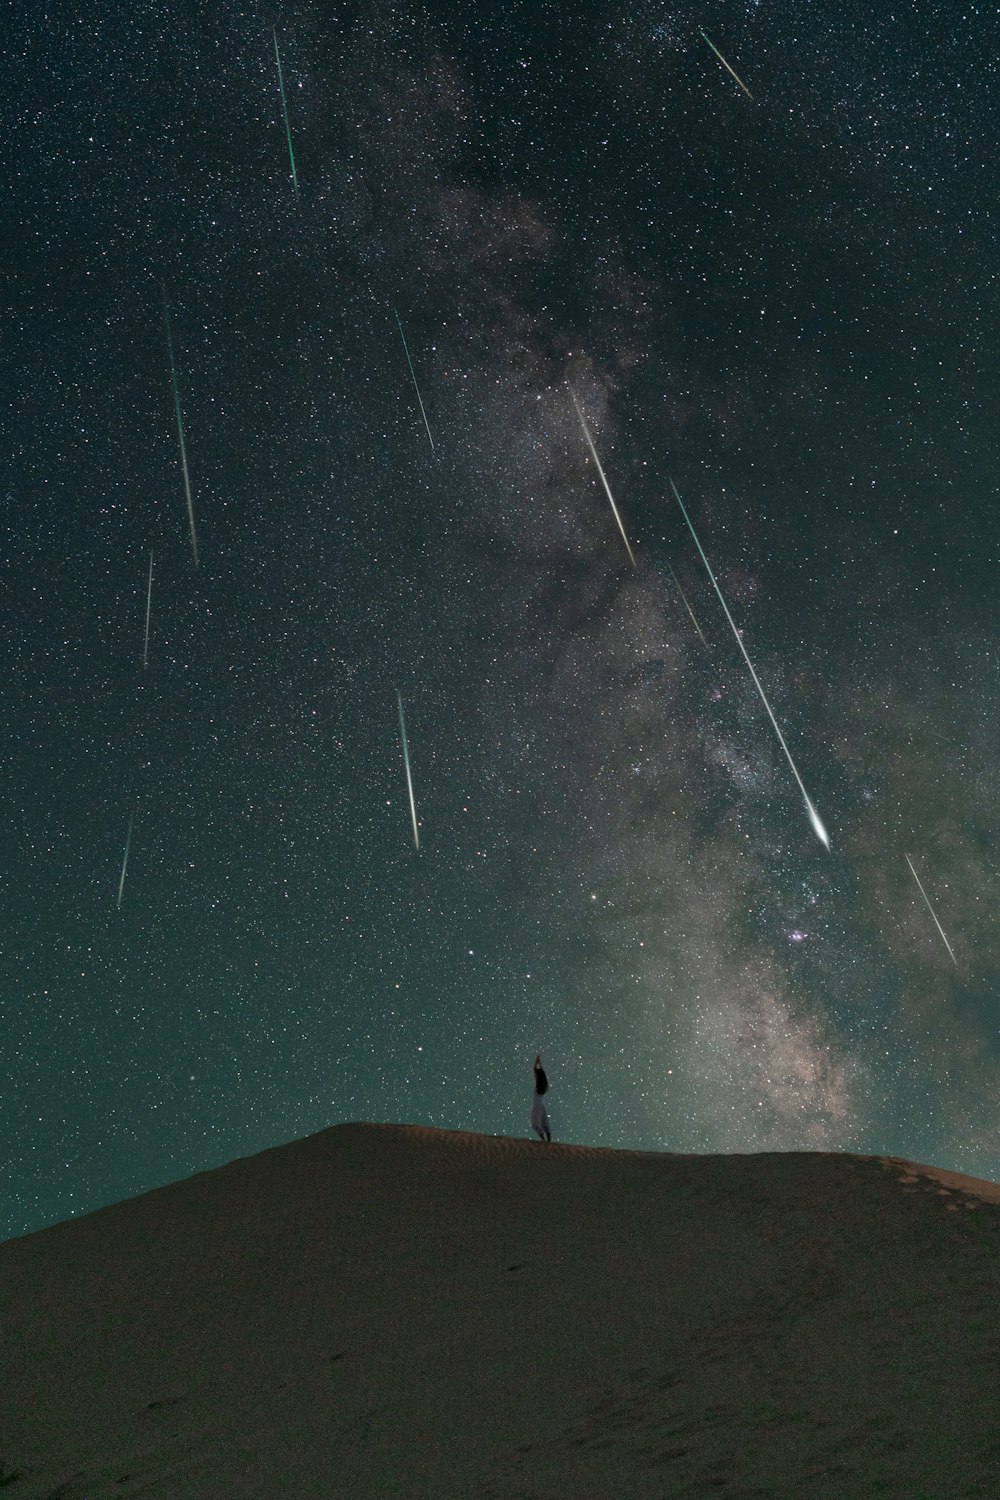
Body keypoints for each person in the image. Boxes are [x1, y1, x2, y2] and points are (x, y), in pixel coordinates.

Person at [531, 1054, 552, 1142]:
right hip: (541, 1105)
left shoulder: (538, 1088)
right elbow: (538, 1069)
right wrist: (538, 1061)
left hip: (537, 1106)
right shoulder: (543, 1087)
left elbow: (535, 1068)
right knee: (545, 1122)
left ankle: (544, 1140)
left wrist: (537, 1060)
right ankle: (549, 1140)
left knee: (535, 1123)